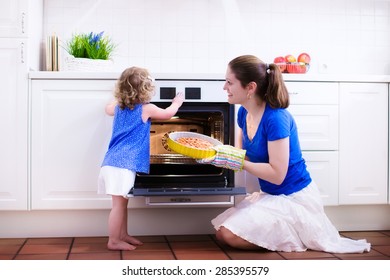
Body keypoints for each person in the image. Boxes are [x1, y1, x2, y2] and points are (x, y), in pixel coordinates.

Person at [201, 55, 370, 253]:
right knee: (222, 233)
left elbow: (277, 174)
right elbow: (243, 155)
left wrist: (236, 160)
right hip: (270, 195)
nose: (224, 87)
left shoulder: (276, 118)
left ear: (250, 88)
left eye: (229, 82)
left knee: (228, 235)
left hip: (293, 198)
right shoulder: (243, 113)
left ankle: (296, 235)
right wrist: (216, 154)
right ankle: (280, 233)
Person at [98, 66, 184, 251]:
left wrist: (120, 97)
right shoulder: (146, 108)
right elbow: (168, 113)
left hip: (113, 162)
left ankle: (123, 235)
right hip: (122, 164)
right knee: (118, 206)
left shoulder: (117, 107)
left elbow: (107, 109)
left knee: (122, 203)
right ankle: (113, 240)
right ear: (146, 90)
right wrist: (177, 102)